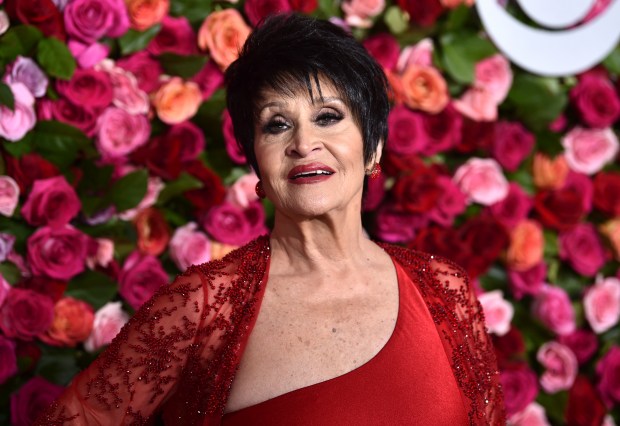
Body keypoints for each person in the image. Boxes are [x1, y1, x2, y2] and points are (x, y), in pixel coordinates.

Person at [36, 14, 505, 426]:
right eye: (276, 124)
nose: (303, 143)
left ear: (374, 146)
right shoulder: (202, 309)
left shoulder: (444, 292)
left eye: (327, 116)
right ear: (257, 161)